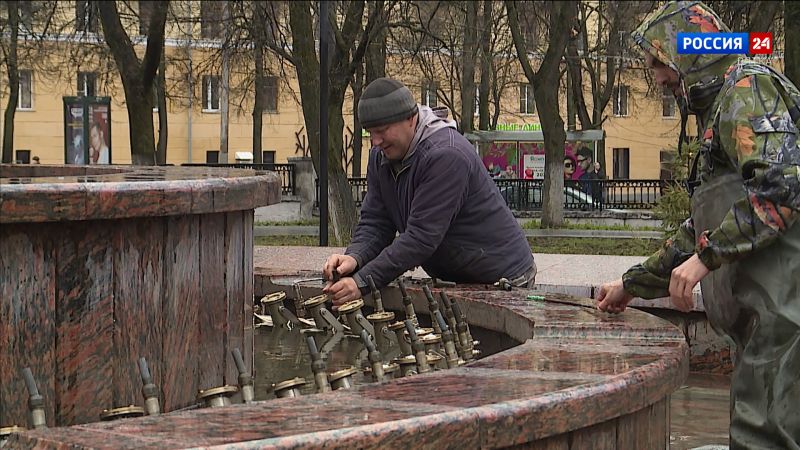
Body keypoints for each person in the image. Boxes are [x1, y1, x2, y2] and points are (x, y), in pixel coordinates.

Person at [595, 2, 800, 448]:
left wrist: (705, 260)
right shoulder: (721, 105)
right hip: (764, 321)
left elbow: (782, 190)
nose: (657, 78)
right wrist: (632, 284)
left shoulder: (749, 89)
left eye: (658, 63)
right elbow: (703, 223)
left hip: (786, 319)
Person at [323, 78, 535, 305]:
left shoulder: (447, 155)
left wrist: (362, 281)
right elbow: (376, 222)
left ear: (410, 118)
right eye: (370, 132)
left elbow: (420, 238)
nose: (375, 141)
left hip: (504, 280)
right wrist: (354, 257)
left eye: (382, 130)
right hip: (457, 277)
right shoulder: (381, 156)